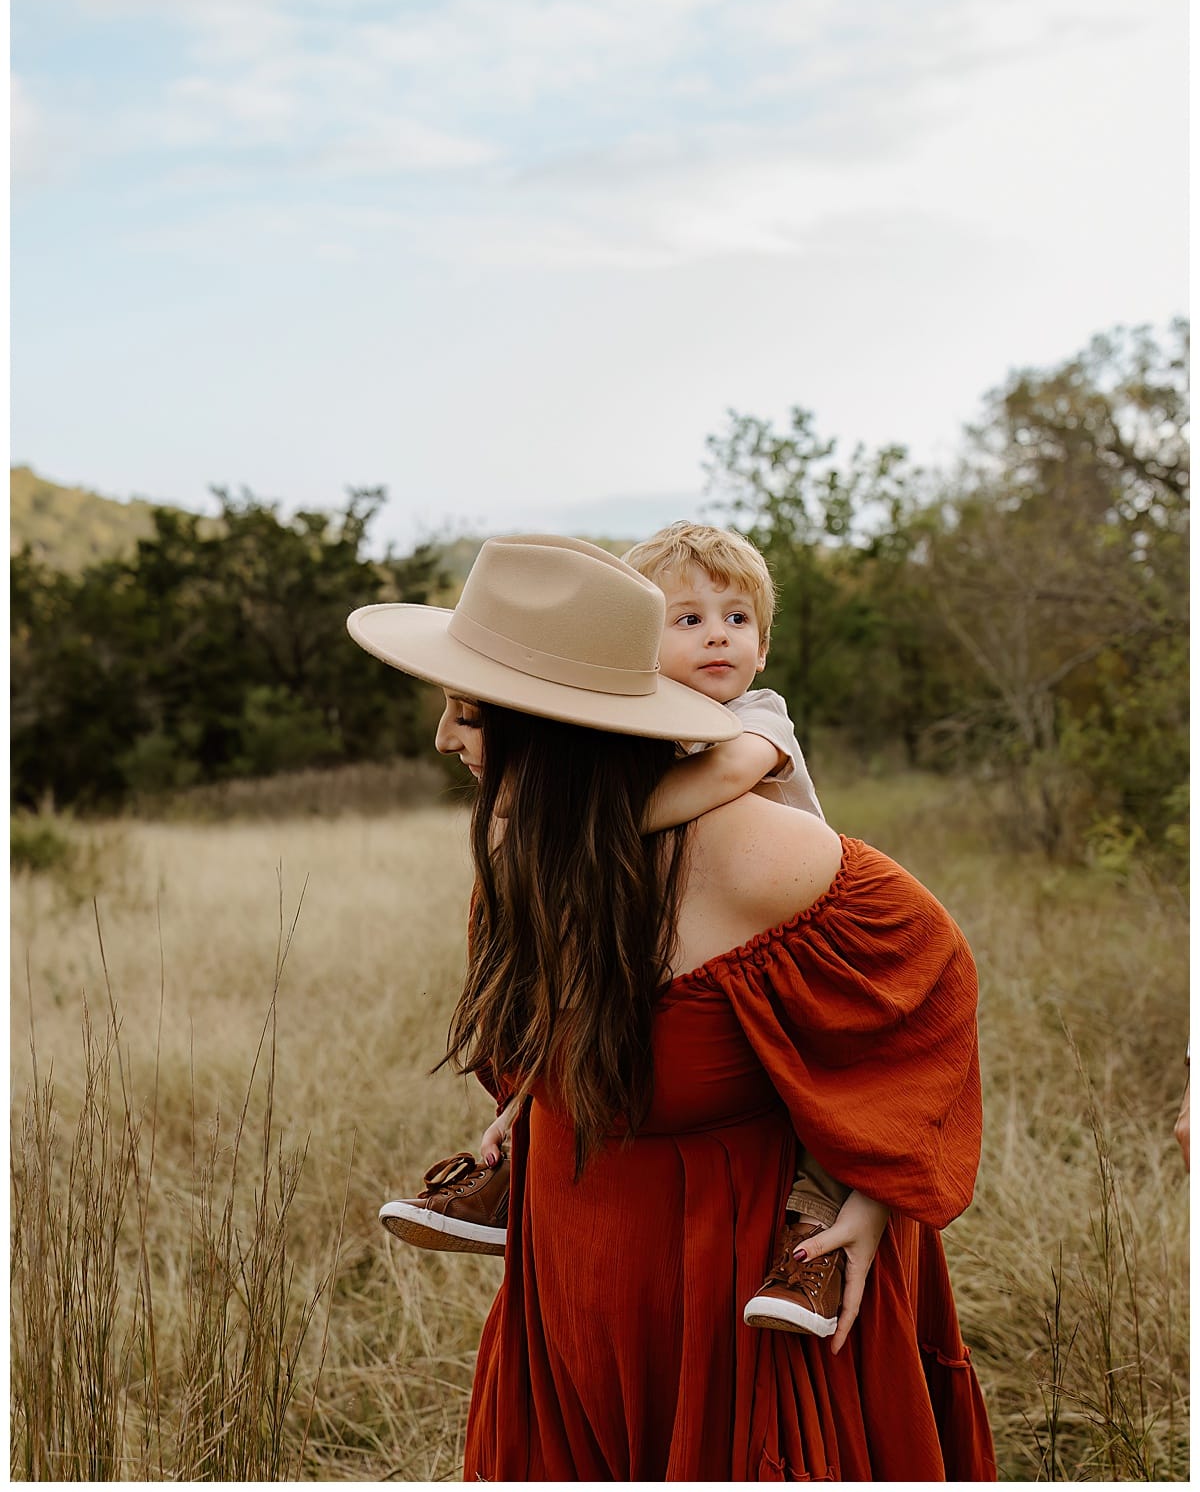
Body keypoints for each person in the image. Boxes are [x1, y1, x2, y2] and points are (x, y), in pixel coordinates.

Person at [349, 534, 996, 1480]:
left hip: (733, 1293)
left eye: (469, 718)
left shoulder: (754, 852)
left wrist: (875, 1192)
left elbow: (932, 983)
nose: (445, 740)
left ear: (548, 732)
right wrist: (529, 1100)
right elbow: (563, 1024)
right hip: (572, 1282)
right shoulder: (523, 853)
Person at [384, 520, 846, 1336]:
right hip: (596, 1218)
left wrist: (590, 825)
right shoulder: (640, 748)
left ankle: (816, 1239)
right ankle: (512, 1158)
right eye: (688, 618)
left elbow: (727, 774)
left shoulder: (755, 724)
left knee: (821, 1115)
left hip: (797, 999)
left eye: (738, 620)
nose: (716, 636)